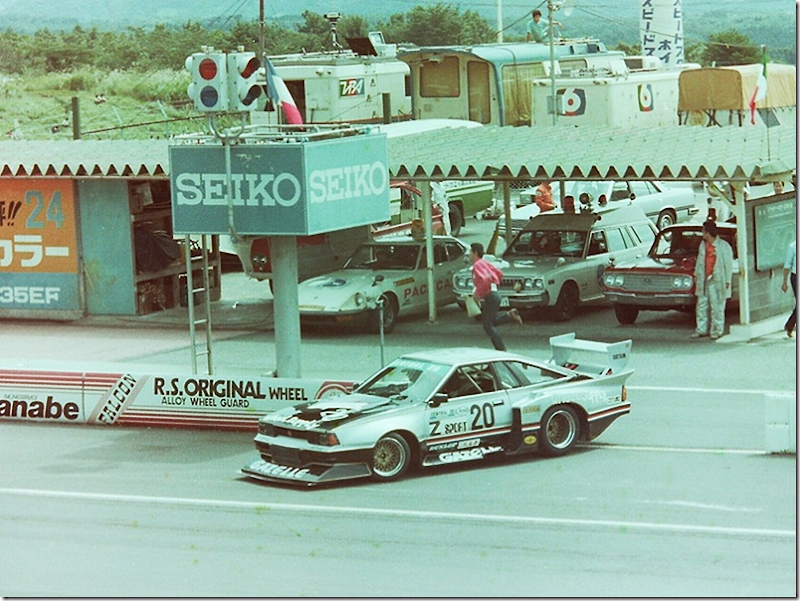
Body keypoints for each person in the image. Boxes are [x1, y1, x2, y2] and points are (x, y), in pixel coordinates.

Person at [469, 242, 523, 351]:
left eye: (470, 252)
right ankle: (509, 315)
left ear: (475, 253)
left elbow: (484, 280)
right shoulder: (485, 263)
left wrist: (477, 294)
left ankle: (501, 347)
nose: (469, 255)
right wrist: (494, 285)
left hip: (490, 296)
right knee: (489, 322)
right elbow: (499, 273)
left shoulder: (477, 265)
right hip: (494, 294)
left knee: (487, 325)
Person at [692, 220, 734, 340]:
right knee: (701, 305)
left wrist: (727, 281)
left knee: (717, 306)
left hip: (717, 279)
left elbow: (728, 265)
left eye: (703, 231)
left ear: (708, 232)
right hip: (704, 279)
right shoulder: (703, 246)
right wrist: (696, 274)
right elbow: (700, 262)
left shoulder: (723, 247)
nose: (702, 233)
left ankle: (717, 330)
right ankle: (701, 329)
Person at [781, 239, 796, 338]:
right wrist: (784, 282)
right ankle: (789, 325)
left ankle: (789, 326)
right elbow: (787, 265)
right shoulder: (793, 246)